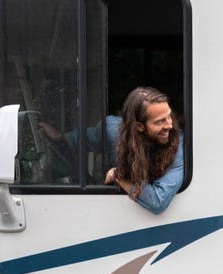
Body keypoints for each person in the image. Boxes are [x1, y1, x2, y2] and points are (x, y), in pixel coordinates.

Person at [41, 87, 183, 214]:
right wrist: (57, 137)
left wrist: (118, 175)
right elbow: (73, 141)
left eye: (169, 116)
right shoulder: (111, 130)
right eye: (159, 121)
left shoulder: (178, 146)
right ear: (139, 126)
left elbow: (158, 200)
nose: (169, 125)